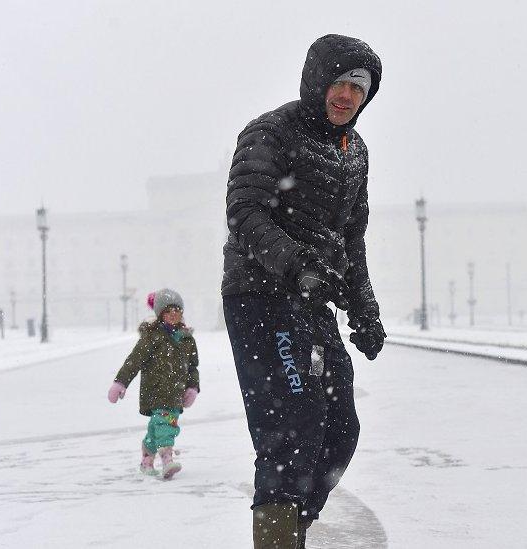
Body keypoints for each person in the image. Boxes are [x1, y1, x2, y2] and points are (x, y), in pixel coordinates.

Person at [222, 34, 386, 548]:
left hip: (314, 301)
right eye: (338, 83)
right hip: (261, 295)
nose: (346, 96)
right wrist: (298, 266)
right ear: (317, 81)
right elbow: (245, 214)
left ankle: (290, 528)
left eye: (358, 88)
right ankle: (278, 539)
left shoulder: (354, 152)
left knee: (339, 431)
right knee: (291, 429)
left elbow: (350, 239)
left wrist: (364, 310)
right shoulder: (271, 133)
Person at [107, 288, 200, 480]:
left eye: (177, 310)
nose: (173, 314)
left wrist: (192, 387)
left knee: (156, 427)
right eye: (168, 311)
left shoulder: (187, 339)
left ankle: (146, 461)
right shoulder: (152, 336)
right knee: (166, 425)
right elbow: (134, 360)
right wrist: (120, 382)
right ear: (160, 314)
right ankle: (167, 460)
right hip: (156, 391)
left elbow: (193, 367)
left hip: (176, 393)